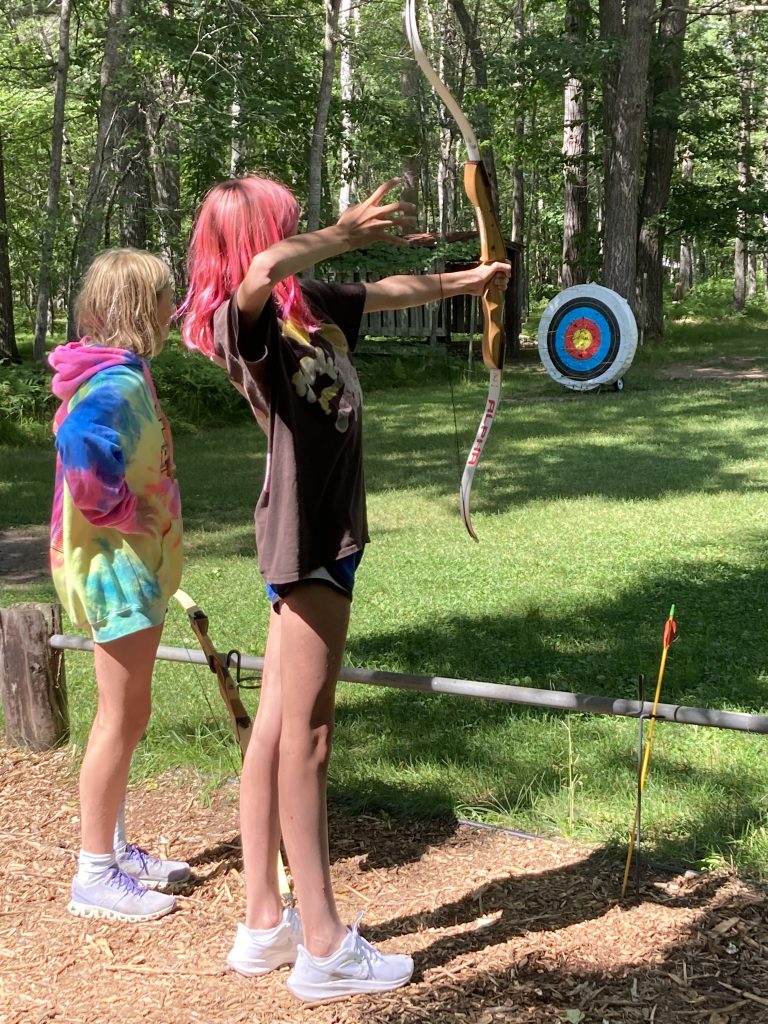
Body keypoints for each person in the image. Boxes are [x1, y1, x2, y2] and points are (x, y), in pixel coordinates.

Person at [181, 176, 510, 1001]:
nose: (301, 237)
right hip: (309, 536)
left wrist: (470, 283)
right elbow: (262, 273)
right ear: (257, 239)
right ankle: (323, 944)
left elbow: (385, 291)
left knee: (275, 734)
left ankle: (265, 923)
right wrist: (340, 230)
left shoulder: (306, 304)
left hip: (322, 534)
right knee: (311, 738)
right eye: (288, 228)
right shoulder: (245, 321)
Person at [49, 248, 188, 923]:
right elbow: (79, 441)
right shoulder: (117, 386)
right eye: (166, 296)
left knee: (131, 714)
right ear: (143, 309)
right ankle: (95, 873)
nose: (174, 305)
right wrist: (118, 510)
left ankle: (117, 849)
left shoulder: (120, 371)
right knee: (120, 717)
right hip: (115, 571)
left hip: (127, 567)